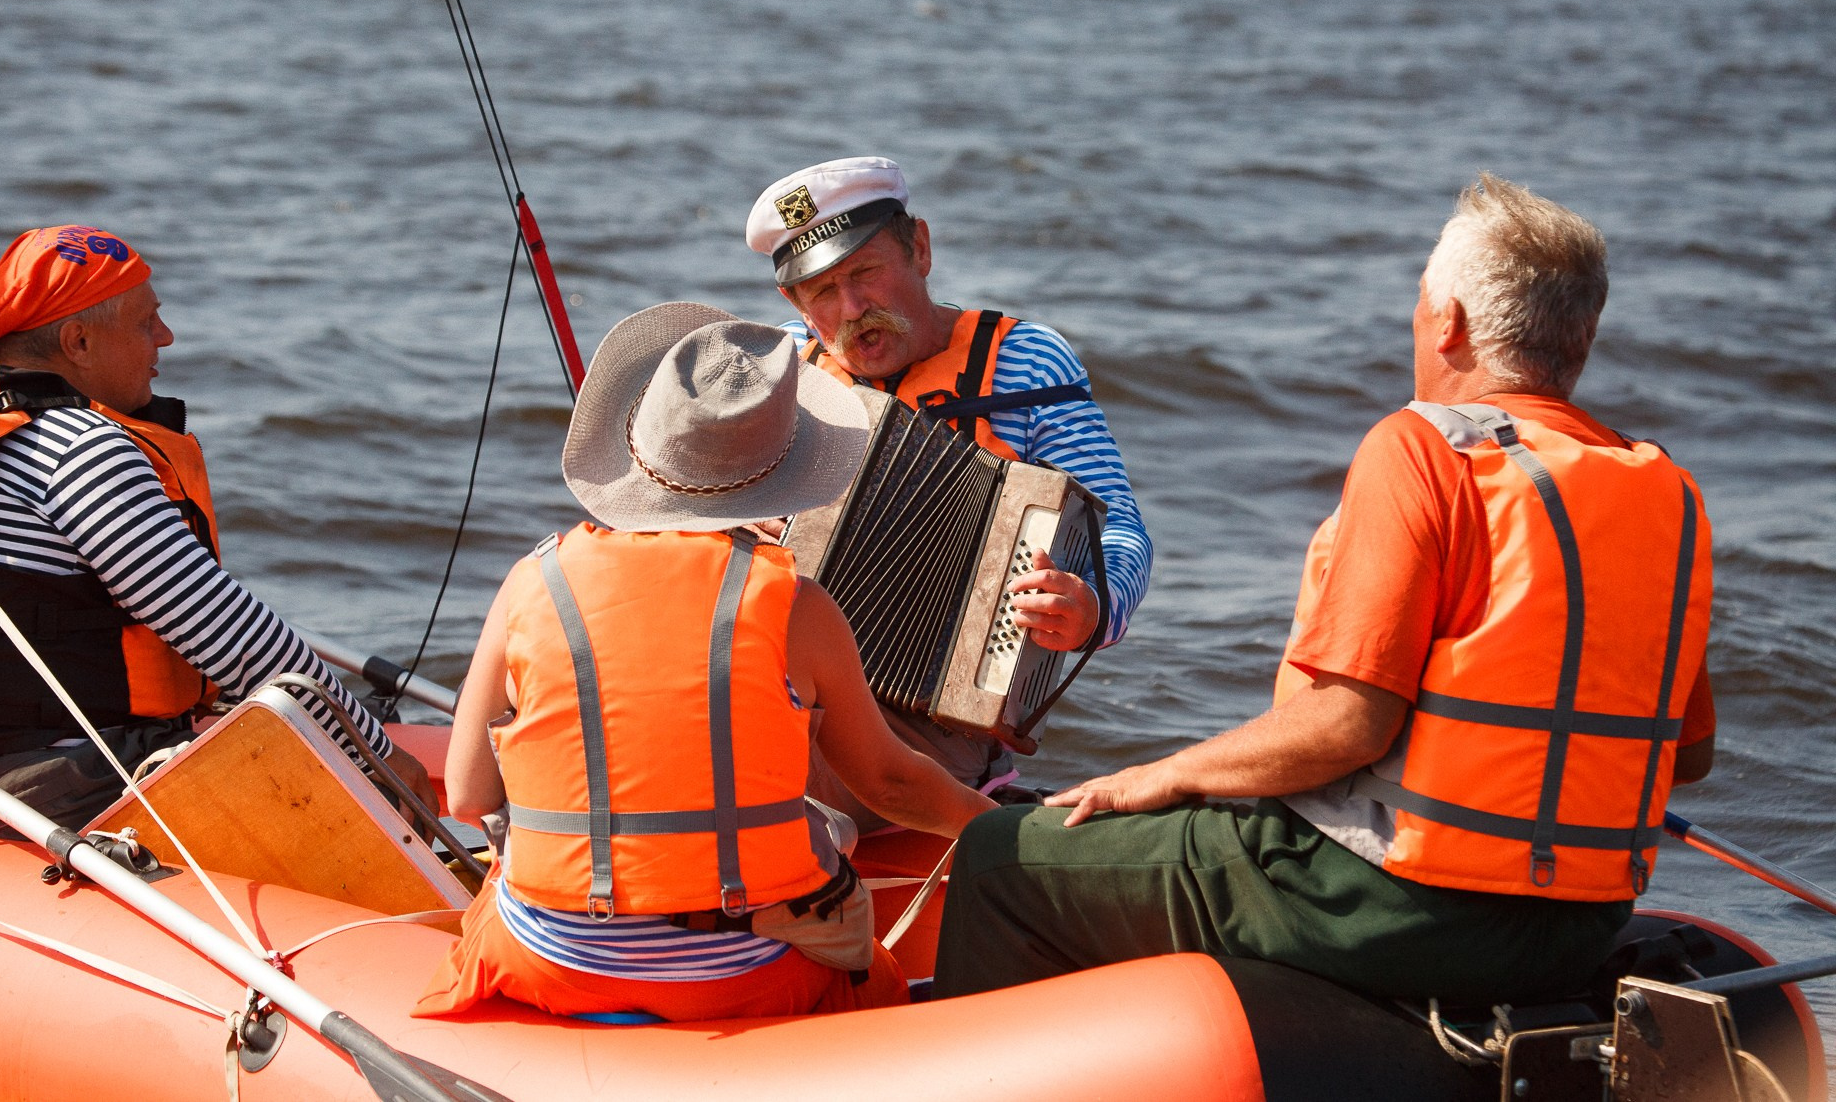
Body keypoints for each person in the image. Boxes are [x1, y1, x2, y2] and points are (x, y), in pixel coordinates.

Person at [931, 174, 1717, 1007]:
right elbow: (1689, 754)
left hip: (1393, 903)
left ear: (1447, 320)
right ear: (1580, 335)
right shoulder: (1667, 491)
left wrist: (1163, 775)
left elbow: (1349, 723)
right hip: (1582, 921)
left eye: (1421, 300)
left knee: (1002, 857)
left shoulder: (1423, 448)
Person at [415, 303, 995, 1023]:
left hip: (550, 959)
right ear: (781, 478)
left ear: (635, 446)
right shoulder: (798, 605)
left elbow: (469, 796)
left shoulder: (533, 582)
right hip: (747, 973)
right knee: (860, 956)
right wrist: (1002, 829)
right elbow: (892, 783)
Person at [0, 225, 434, 835]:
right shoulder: (76, 449)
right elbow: (222, 628)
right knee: (336, 806)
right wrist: (374, 752)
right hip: (31, 784)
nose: (165, 338)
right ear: (78, 341)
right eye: (148, 322)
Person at [745, 155, 1152, 805]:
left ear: (921, 248)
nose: (852, 309)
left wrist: (1093, 605)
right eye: (821, 291)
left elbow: (1121, 529)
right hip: (779, 675)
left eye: (866, 273)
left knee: (752, 771)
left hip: (941, 713)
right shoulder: (772, 368)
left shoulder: (1025, 361)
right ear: (791, 301)